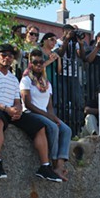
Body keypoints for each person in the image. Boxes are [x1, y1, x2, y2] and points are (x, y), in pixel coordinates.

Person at [0, 43, 63, 182]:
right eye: (4, 55)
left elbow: (17, 100)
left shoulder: (13, 78)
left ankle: (44, 167)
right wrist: (6, 109)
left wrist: (18, 110)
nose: (7, 58)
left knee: (39, 126)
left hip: (8, 110)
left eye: (10, 56)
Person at [20, 49, 71, 181]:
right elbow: (27, 103)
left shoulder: (47, 84)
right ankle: (53, 160)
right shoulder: (26, 80)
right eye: (35, 62)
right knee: (53, 127)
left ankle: (60, 164)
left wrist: (52, 116)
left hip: (44, 113)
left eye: (41, 62)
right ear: (30, 64)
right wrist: (49, 117)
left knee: (66, 129)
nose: (38, 65)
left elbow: (49, 106)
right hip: (31, 113)